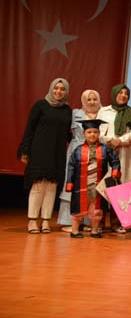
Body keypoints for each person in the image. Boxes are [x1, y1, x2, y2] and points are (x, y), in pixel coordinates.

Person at [18, 78, 72, 234]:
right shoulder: (40, 105)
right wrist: (25, 150)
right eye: (56, 88)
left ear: (66, 92)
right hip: (39, 151)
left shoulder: (67, 110)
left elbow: (67, 133)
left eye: (62, 89)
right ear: (51, 88)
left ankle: (46, 220)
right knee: (38, 185)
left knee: (52, 187)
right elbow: (29, 129)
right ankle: (32, 220)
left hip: (57, 153)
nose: (58, 91)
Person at [65, 119, 121, 239]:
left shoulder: (106, 149)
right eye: (89, 132)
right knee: (78, 208)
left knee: (96, 209)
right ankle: (74, 231)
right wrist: (69, 182)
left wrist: (115, 173)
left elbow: (115, 161)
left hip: (98, 185)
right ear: (84, 134)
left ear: (99, 133)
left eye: (95, 132)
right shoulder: (78, 150)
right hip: (81, 185)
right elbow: (71, 167)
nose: (92, 135)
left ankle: (95, 230)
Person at [57, 89, 102, 231]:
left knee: (91, 186)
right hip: (77, 152)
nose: (92, 102)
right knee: (73, 183)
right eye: (89, 99)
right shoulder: (75, 113)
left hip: (95, 153)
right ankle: (69, 221)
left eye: (95, 99)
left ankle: (88, 221)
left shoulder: (103, 113)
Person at [97, 84, 131, 233]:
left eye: (126, 93)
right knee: (103, 186)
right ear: (114, 94)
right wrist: (110, 140)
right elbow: (97, 131)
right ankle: (99, 222)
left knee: (119, 186)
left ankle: (116, 223)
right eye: (120, 93)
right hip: (106, 152)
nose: (123, 96)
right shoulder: (104, 111)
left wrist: (120, 141)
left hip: (124, 152)